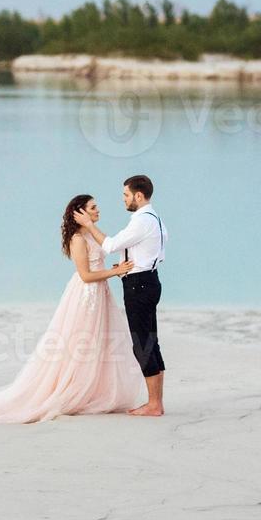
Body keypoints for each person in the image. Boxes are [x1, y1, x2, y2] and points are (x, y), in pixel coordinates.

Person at [0, 194, 146, 424]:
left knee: (99, 343)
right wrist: (115, 272)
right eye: (93, 208)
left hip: (100, 293)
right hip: (87, 296)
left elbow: (104, 253)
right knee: (79, 342)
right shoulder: (77, 238)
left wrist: (114, 268)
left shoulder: (90, 232)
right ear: (81, 212)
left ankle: (94, 391)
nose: (98, 211)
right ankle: (72, 390)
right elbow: (85, 276)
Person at [73, 174, 166, 417]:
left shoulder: (141, 221)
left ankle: (154, 404)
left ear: (138, 195)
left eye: (126, 195)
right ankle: (156, 402)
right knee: (151, 342)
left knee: (142, 344)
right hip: (149, 280)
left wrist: (91, 226)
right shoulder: (154, 218)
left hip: (139, 284)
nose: (123, 199)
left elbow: (111, 245)